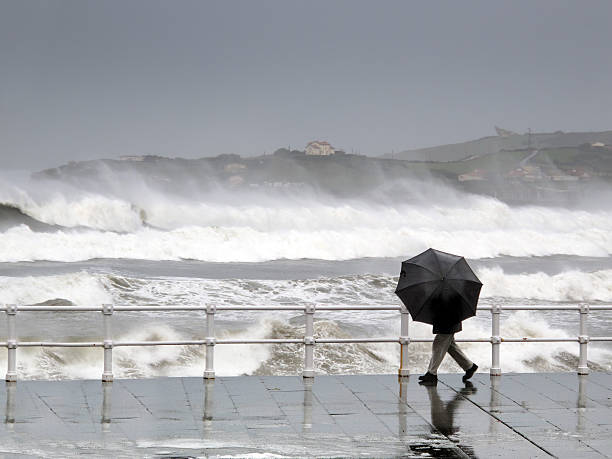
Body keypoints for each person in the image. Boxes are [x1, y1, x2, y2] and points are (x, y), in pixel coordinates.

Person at [419, 316, 477, 385]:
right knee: (450, 346)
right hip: (449, 320)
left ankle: (432, 373)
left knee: (439, 344)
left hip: (448, 321)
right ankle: (469, 366)